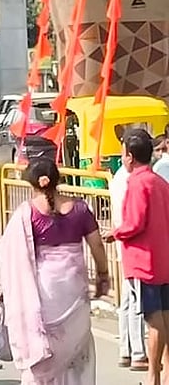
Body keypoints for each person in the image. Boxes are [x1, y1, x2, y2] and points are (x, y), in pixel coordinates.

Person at [0, 157, 108, 384]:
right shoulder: (80, 209)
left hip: (44, 295)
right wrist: (103, 275)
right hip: (74, 292)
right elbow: (97, 244)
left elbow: (11, 258)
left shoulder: (26, 214)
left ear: (32, 184)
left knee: (46, 349)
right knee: (75, 350)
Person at [108, 129, 169, 384]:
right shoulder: (160, 182)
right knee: (165, 316)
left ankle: (153, 374)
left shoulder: (136, 182)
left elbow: (134, 223)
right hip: (163, 258)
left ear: (129, 156)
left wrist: (114, 233)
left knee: (154, 319)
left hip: (144, 261)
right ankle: (163, 373)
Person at [110, 149, 149, 371]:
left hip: (126, 242)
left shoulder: (121, 178)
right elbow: (134, 220)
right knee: (136, 300)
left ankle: (127, 350)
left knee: (128, 298)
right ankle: (137, 352)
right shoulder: (133, 181)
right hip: (136, 244)